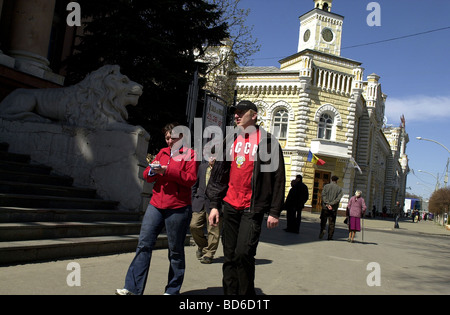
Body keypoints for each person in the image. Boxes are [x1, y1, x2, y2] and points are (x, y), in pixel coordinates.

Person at [207, 100, 286, 295]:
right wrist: (215, 205)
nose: (236, 115)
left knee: (244, 254)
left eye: (241, 112)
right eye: (235, 112)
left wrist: (275, 211)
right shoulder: (230, 139)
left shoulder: (267, 142)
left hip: (252, 207)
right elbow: (219, 174)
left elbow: (278, 178)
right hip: (230, 205)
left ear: (254, 115)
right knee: (230, 256)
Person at [116, 123, 198, 295]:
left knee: (175, 251)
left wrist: (167, 171)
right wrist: (153, 171)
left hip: (178, 208)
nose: (169, 141)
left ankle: (172, 290)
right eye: (167, 138)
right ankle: (132, 288)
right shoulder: (162, 153)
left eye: (173, 138)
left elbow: (190, 179)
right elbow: (147, 175)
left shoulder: (190, 154)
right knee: (143, 245)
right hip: (156, 205)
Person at [190, 156, 221, 264]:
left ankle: (209, 254)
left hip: (214, 204)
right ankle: (203, 246)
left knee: (213, 230)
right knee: (194, 226)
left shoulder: (221, 169)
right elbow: (194, 184)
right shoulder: (202, 167)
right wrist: (193, 199)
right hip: (199, 202)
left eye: (215, 155)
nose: (212, 157)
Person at [319, 175, 343, 240]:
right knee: (332, 223)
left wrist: (327, 203)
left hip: (325, 207)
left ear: (331, 179)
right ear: (337, 181)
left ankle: (323, 230)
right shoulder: (339, 189)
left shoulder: (326, 186)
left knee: (323, 221)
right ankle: (330, 236)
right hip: (333, 208)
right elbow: (338, 199)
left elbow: (323, 195)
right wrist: (331, 204)